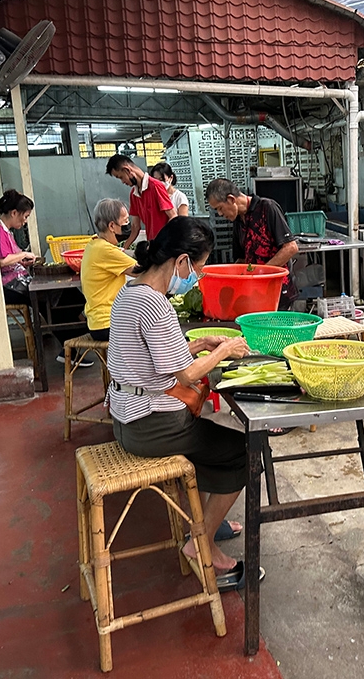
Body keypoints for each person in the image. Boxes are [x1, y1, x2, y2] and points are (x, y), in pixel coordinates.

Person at [107, 216, 255, 589]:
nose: (197, 277)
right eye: (198, 268)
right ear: (182, 261)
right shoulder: (155, 305)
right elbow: (186, 375)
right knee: (244, 452)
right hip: (151, 426)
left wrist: (198, 344)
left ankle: (206, 522)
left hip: (125, 418)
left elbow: (157, 359)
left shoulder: (130, 292)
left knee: (211, 442)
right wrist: (224, 350)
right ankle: (201, 543)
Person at [0, 189, 92, 367]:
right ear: (14, 213)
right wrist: (23, 254)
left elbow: (9, 259)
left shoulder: (6, 231)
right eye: (25, 217)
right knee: (52, 300)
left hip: (18, 281)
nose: (25, 221)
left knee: (67, 295)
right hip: (11, 287)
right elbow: (1, 261)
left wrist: (22, 261)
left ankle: (72, 345)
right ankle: (70, 347)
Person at [205, 178, 298, 307]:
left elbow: (291, 247)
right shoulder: (238, 221)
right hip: (254, 293)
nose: (220, 214)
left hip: (278, 291)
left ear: (231, 199)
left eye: (220, 208)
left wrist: (262, 272)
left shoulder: (267, 208)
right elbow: (241, 260)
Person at [80, 198, 135, 341]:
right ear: (112, 226)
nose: (128, 225)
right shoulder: (105, 250)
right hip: (108, 324)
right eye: (126, 221)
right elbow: (141, 271)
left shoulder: (94, 244)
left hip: (99, 323)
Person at [105, 155, 177, 250]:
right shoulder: (134, 194)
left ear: (127, 170)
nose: (122, 181)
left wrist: (163, 240)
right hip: (153, 246)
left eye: (121, 177)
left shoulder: (156, 186)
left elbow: (173, 217)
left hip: (165, 246)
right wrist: (124, 248)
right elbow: (135, 226)